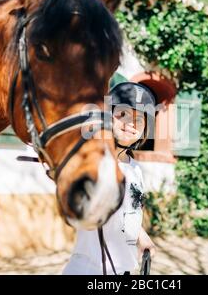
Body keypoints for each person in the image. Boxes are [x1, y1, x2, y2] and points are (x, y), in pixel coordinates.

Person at [63, 81, 157, 275]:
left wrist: (142, 236)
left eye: (139, 119)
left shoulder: (136, 170)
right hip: (89, 269)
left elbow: (128, 213)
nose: (131, 123)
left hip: (125, 270)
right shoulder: (95, 163)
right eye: (122, 114)